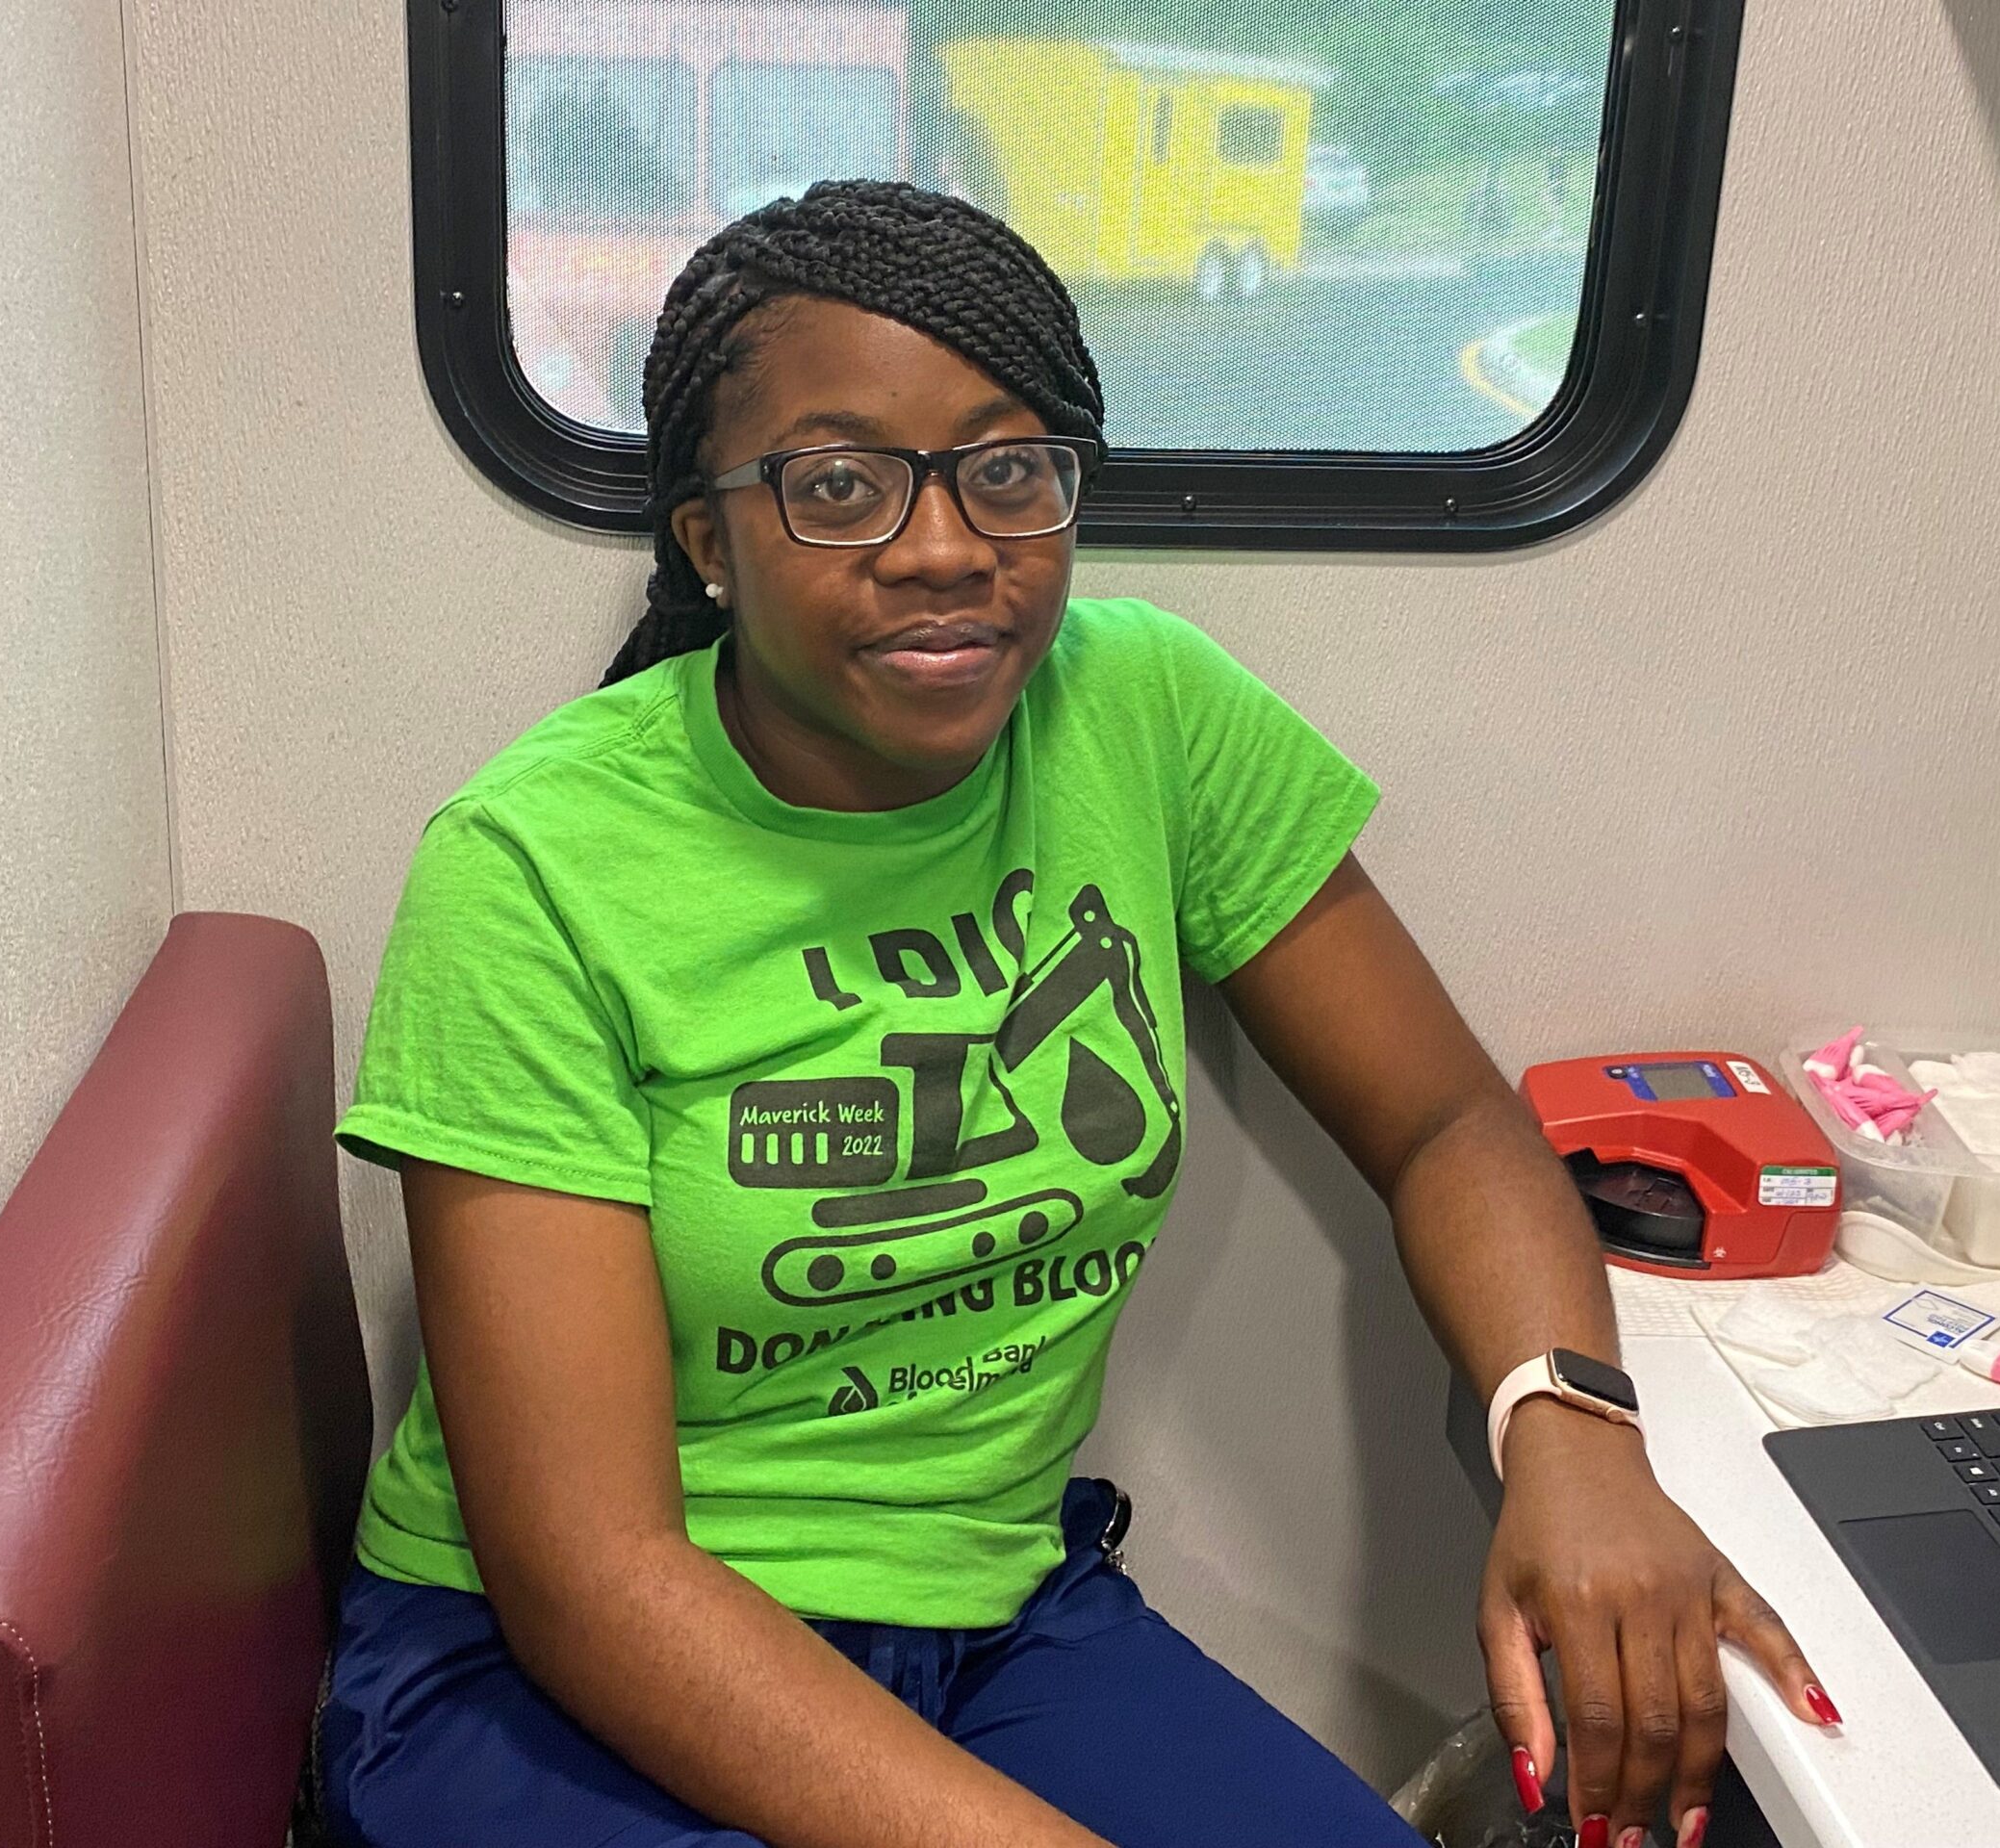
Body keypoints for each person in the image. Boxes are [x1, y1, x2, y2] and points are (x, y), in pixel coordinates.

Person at [321, 181, 1834, 1848]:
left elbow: (1446, 1122)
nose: (945, 547)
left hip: (989, 1621)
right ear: (707, 540)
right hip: (549, 1670)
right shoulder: (531, 866)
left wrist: (1572, 1434)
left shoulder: (1142, 711)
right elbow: (592, 1574)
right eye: (838, 487)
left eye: (1007, 470)